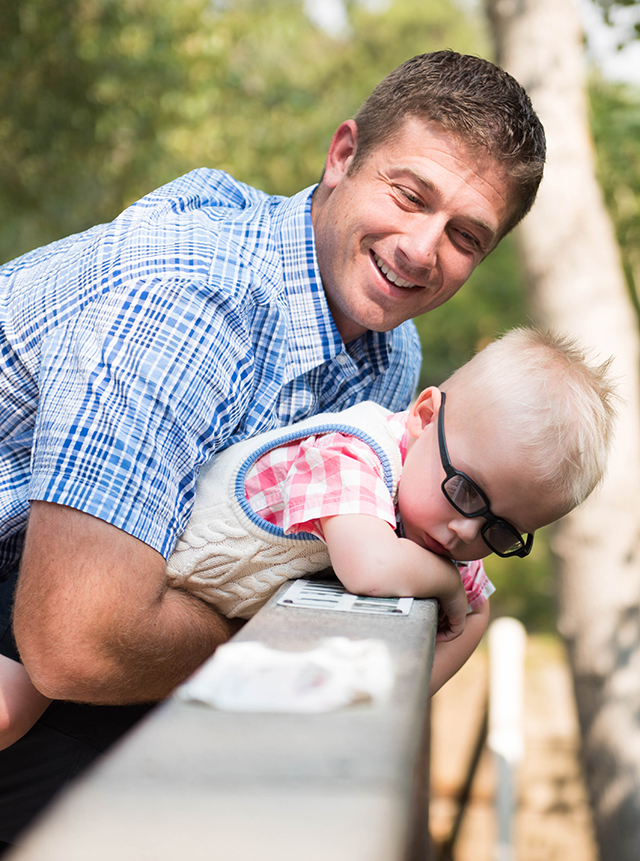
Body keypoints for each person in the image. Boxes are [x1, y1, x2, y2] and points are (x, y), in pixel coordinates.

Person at [0, 49, 546, 843]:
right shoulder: (193, 305)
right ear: (343, 155)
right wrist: (264, 645)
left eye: (465, 235)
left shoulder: (389, 354)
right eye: (409, 194)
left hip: (77, 600)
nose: (422, 250)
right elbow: (78, 643)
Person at [0, 327, 617, 753]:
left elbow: (478, 612)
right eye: (467, 493)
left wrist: (395, 703)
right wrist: (443, 583)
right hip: (101, 576)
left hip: (169, 624)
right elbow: (370, 567)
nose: (466, 532)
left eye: (503, 531)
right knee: (11, 711)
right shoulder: (354, 451)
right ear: (425, 417)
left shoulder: (438, 525)